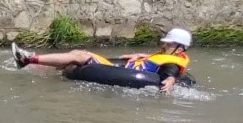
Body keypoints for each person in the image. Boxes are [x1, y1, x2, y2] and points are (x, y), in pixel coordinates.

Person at [12, 28, 194, 91]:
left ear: (180, 47)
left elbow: (170, 72)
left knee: (80, 56)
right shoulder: (170, 55)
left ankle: (28, 60)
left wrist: (170, 80)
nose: (164, 46)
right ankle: (39, 65)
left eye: (168, 44)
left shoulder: (173, 62)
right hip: (125, 67)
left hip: (131, 75)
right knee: (78, 53)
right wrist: (141, 56)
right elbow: (157, 60)